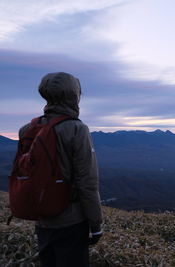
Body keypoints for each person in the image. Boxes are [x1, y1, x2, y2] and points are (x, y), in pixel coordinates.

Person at [18, 72, 103, 266]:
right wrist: (96, 224)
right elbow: (87, 182)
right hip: (71, 221)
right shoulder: (76, 129)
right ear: (73, 95)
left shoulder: (27, 129)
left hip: (41, 219)